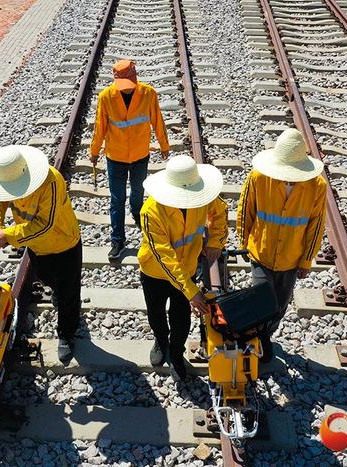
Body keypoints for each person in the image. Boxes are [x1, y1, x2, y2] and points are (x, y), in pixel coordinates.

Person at [0, 145, 81, 363]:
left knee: (69, 294)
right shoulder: (6, 178)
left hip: (63, 244)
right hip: (36, 247)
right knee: (47, 278)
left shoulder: (51, 181)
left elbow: (45, 225)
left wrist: (8, 234)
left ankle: (66, 335)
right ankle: (57, 292)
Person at [236, 128, 327, 362]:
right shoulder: (258, 177)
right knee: (260, 300)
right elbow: (246, 210)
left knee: (280, 305)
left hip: (291, 258)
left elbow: (315, 226)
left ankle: (266, 335)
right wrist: (244, 241)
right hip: (261, 252)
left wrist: (307, 259)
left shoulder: (317, 186)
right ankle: (258, 341)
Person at [138, 155, 228, 381]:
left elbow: (220, 211)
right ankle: (161, 340)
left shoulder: (202, 196)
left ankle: (176, 354)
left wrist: (216, 241)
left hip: (187, 269)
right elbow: (164, 256)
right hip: (155, 273)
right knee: (156, 313)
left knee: (181, 318)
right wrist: (191, 291)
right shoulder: (151, 212)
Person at [90, 59, 170, 260]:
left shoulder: (148, 94)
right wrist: (94, 150)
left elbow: (157, 120)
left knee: (137, 194)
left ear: (135, 79)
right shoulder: (106, 97)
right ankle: (117, 240)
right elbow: (100, 126)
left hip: (140, 156)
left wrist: (164, 145)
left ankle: (137, 215)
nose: (126, 90)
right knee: (117, 199)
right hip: (115, 157)